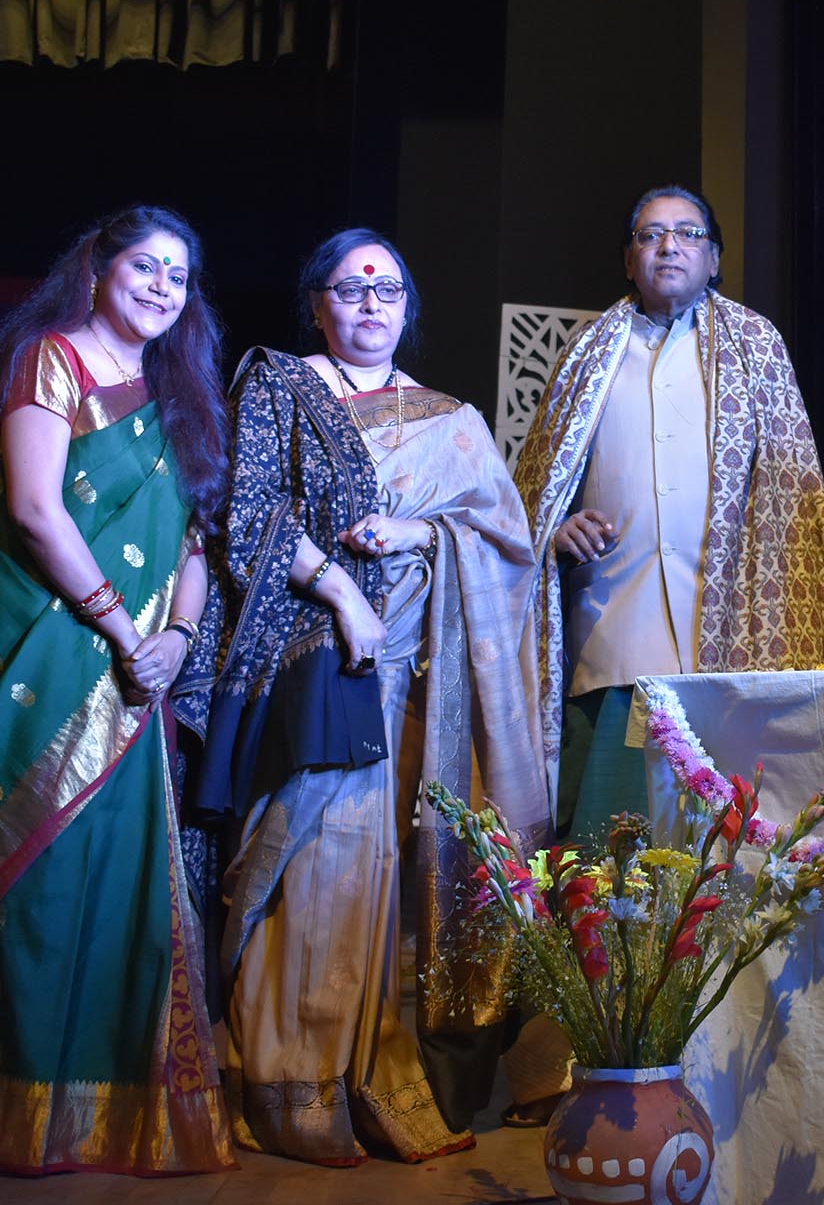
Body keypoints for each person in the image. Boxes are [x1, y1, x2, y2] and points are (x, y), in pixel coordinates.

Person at [180, 229, 554, 1165]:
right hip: (304, 663)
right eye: (351, 288)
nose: (371, 304)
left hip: (407, 690)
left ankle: (362, 1072)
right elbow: (245, 510)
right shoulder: (278, 385)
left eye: (388, 290)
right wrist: (343, 585)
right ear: (318, 304)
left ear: (408, 308)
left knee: (377, 882)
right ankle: (281, 1076)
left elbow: (506, 546)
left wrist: (423, 532)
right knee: (307, 865)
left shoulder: (454, 421)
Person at [0, 206, 236, 1175]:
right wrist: (123, 628)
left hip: (141, 669)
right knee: (43, 887)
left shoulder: (180, 391)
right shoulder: (48, 359)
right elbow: (33, 507)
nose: (160, 288)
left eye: (178, 276)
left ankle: (111, 1118)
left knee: (126, 892)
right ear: (97, 270)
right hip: (51, 654)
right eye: (144, 266)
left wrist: (178, 638)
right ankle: (14, 1120)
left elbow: (194, 542)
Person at [512, 185, 824, 840]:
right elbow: (537, 486)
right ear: (628, 259)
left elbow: (790, 496)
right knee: (612, 851)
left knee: (715, 844)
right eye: (650, 234)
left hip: (728, 641)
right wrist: (554, 529)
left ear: (715, 258)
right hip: (612, 633)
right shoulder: (584, 356)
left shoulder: (756, 346)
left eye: (688, 233)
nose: (669, 245)